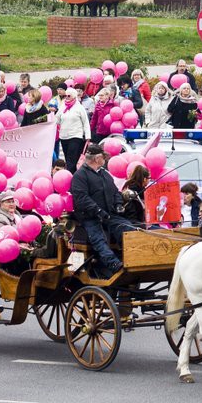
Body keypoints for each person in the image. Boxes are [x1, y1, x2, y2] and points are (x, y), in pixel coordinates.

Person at [70, 144, 127, 277]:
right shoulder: (79, 176)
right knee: (98, 238)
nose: (105, 159)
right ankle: (113, 263)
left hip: (109, 214)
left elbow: (115, 192)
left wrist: (118, 204)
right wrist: (98, 211)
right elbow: (82, 199)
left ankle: (130, 256)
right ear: (97, 159)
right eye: (103, 157)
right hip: (90, 217)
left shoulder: (105, 174)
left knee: (126, 228)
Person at [55, 87, 91, 173]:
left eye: (69, 96)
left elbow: (85, 122)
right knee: (67, 157)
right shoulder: (62, 106)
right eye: (65, 96)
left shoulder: (79, 107)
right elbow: (57, 120)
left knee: (72, 158)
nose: (66, 97)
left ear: (74, 96)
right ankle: (72, 173)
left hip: (75, 135)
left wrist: (88, 136)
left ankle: (70, 175)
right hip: (64, 136)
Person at [121, 165, 149, 229]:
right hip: (135, 224)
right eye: (149, 178)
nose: (149, 180)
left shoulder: (128, 186)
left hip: (132, 222)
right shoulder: (139, 192)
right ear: (145, 179)